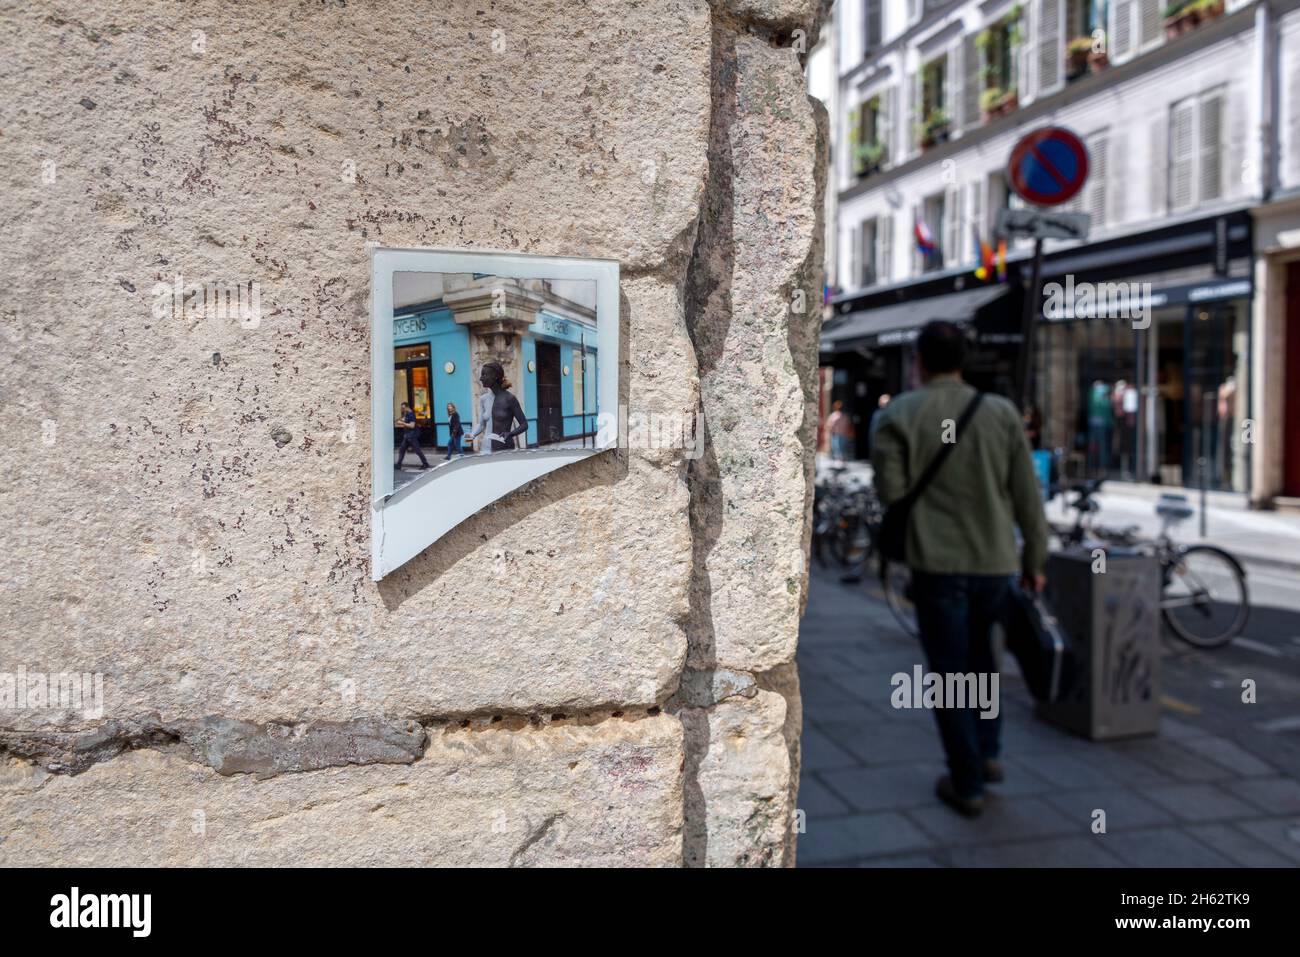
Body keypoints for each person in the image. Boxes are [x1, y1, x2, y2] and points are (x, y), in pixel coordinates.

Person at [870, 320, 1049, 818]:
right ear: (963, 359)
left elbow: (892, 493)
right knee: (983, 662)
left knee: (950, 676)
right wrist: (1036, 559)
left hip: (938, 564)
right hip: (996, 565)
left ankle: (966, 780)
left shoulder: (899, 415)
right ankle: (988, 754)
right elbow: (1028, 497)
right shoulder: (1002, 413)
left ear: (919, 363)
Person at [480, 361, 528, 451]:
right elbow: (481, 424)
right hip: (489, 450)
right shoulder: (486, 399)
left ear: (495, 376)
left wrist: (510, 434)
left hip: (505, 449)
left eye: (484, 375)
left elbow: (524, 425)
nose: (481, 378)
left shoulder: (509, 398)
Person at [395, 401, 429, 469]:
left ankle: (425, 464)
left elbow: (412, 425)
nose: (402, 409)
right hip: (407, 436)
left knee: (417, 450)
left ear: (407, 407)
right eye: (402, 408)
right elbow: (403, 420)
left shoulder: (411, 414)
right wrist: (400, 420)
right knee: (402, 449)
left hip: (412, 436)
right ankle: (398, 465)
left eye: (403, 408)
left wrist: (402, 423)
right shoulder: (407, 414)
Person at [469, 388, 494, 455]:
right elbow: (481, 424)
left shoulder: (508, 397)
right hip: (487, 448)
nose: (481, 379)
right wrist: (471, 435)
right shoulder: (483, 399)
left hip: (502, 447)